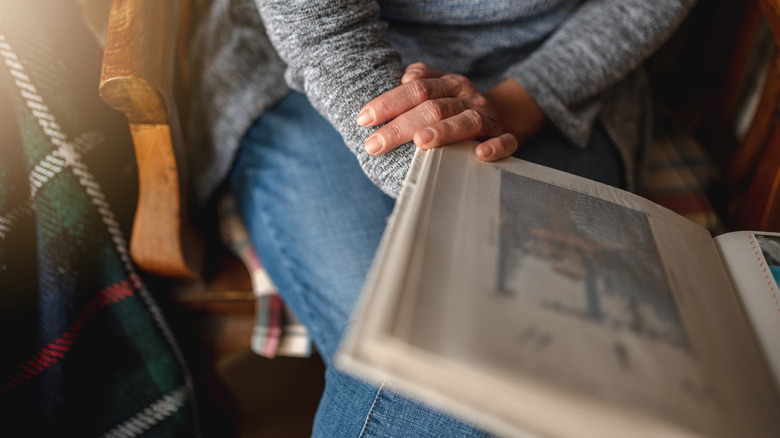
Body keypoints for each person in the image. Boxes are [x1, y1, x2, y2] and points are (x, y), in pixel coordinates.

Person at [192, 0, 698, 436]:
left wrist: (524, 101)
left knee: (485, 351)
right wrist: (429, 161)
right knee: (424, 360)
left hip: (562, 83)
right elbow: (323, 27)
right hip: (318, 83)